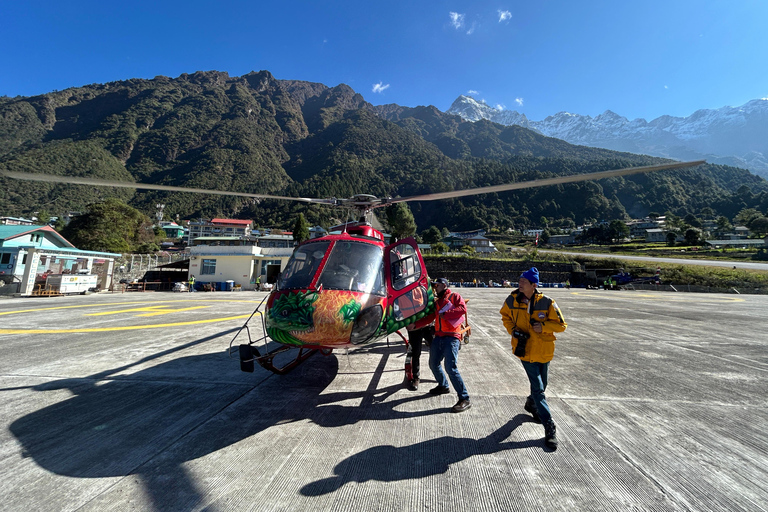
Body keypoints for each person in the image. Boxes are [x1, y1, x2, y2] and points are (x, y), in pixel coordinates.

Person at [500, 267, 567, 450]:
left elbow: (562, 326)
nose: (520, 283)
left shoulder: (547, 302)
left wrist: (543, 326)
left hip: (544, 351)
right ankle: (549, 426)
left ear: (533, 285)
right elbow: (505, 316)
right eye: (520, 280)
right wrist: (512, 330)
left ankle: (531, 403)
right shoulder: (512, 299)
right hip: (524, 350)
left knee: (542, 385)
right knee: (538, 389)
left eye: (524, 281)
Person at [428, 277, 471, 413]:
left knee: (450, 367)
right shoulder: (437, 302)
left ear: (445, 285)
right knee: (433, 363)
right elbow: (430, 317)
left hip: (452, 336)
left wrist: (445, 314)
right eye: (434, 286)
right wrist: (414, 325)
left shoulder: (455, 296)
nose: (435, 288)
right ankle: (443, 385)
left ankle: (464, 398)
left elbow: (462, 309)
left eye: (437, 285)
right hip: (439, 336)